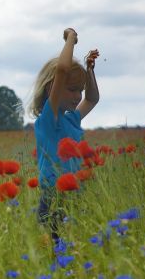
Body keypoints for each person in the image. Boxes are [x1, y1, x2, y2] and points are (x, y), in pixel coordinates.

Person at [29, 28, 100, 241]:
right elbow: (61, 69)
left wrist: (89, 70)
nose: (78, 96)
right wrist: (71, 39)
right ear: (53, 88)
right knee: (54, 248)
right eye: (72, 89)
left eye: (80, 89)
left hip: (75, 195)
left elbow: (93, 99)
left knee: (73, 247)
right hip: (52, 197)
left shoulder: (72, 119)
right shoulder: (49, 120)